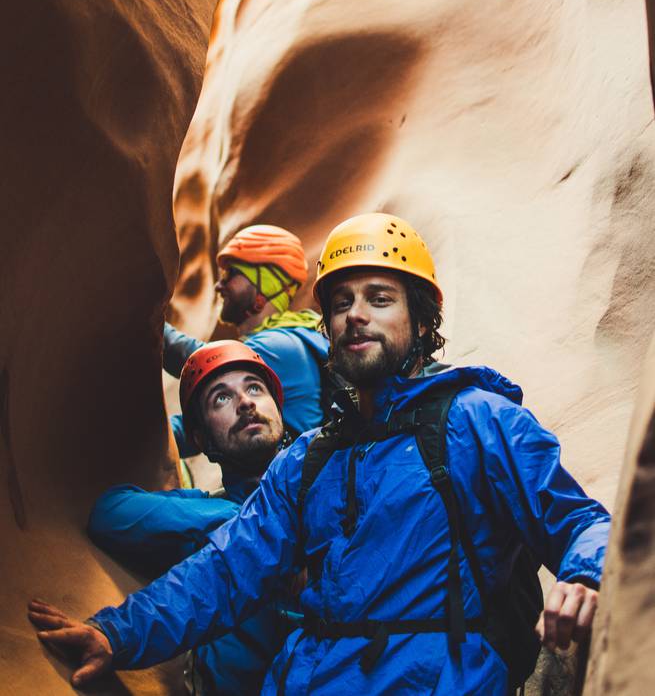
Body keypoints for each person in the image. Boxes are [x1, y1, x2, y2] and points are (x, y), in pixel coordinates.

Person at [28, 213, 610, 695]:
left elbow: (579, 520)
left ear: (421, 318)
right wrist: (117, 634)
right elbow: (226, 571)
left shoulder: (479, 419)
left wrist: (585, 575)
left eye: (379, 299)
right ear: (328, 324)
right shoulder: (307, 459)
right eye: (341, 301)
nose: (356, 313)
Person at [87, 340, 298, 695]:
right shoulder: (207, 516)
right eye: (221, 398)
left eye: (254, 388)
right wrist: (242, 520)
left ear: (277, 408)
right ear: (201, 438)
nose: (245, 402)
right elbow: (110, 513)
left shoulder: (327, 486)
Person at [164, 224, 330, 442]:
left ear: (264, 284)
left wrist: (136, 313)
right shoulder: (296, 336)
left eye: (231, 274)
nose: (219, 285)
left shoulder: (278, 345)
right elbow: (212, 429)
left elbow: (197, 363)